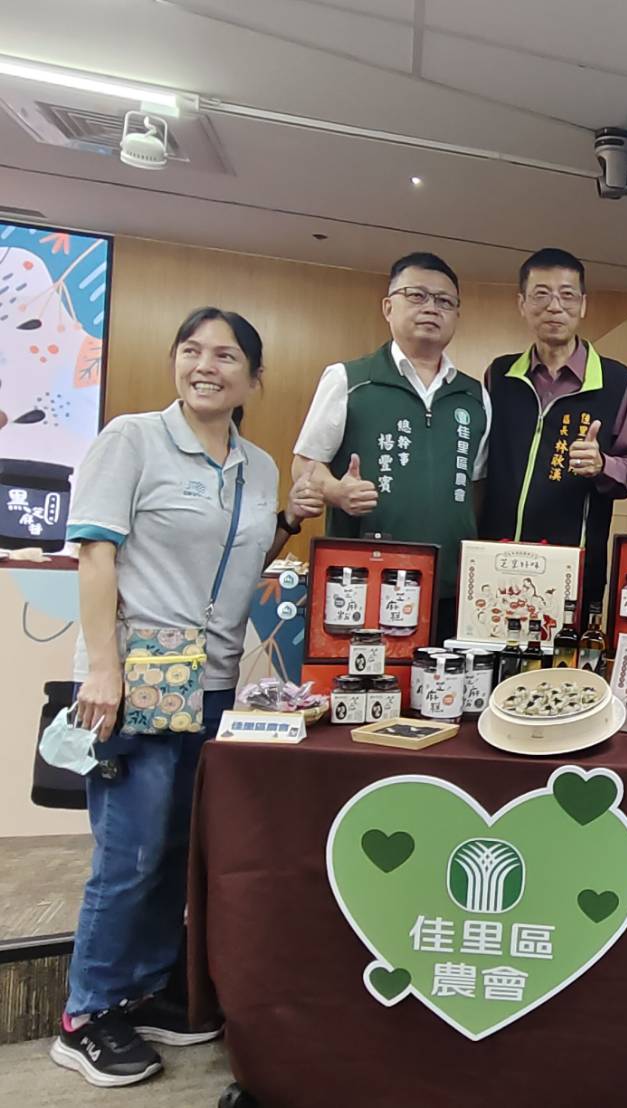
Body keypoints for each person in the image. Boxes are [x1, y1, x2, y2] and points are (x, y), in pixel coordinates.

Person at [56, 308, 323, 1087]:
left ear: (254, 377)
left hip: (210, 683)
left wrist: (289, 520)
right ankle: (88, 1013)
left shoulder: (258, 466)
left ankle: (143, 990)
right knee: (131, 851)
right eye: (192, 350)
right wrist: (102, 671)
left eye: (227, 355)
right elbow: (96, 557)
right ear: (175, 360)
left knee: (179, 847)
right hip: (135, 678)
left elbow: (245, 559)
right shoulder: (131, 439)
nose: (206, 365)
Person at [292, 252, 490, 638]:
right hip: (362, 579)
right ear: (388, 307)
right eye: (416, 296)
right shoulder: (349, 379)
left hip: (450, 585)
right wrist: (336, 492)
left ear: (456, 314)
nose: (431, 308)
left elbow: (476, 486)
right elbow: (304, 464)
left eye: (444, 301)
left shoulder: (475, 396)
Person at [481, 247, 627, 618]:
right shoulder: (499, 376)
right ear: (522, 304)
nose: (554, 307)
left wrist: (602, 465)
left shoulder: (617, 381)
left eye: (567, 295)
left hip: (572, 568)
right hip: (496, 561)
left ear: (583, 305)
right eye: (541, 295)